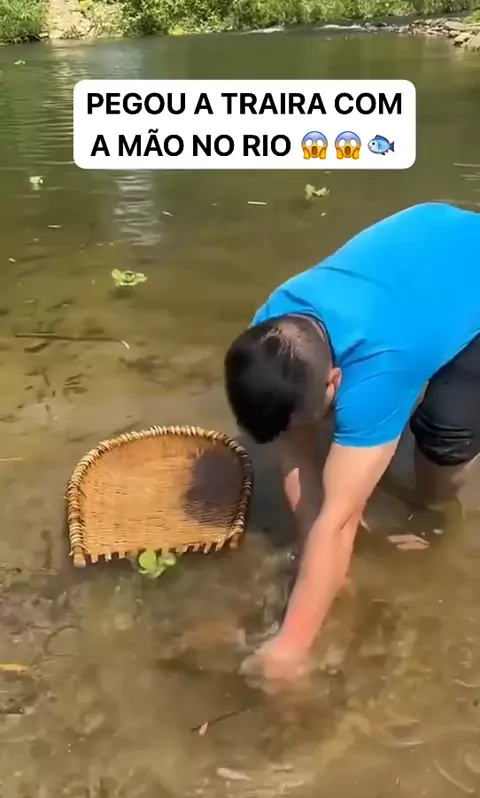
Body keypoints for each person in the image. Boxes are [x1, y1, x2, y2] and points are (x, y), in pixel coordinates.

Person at [224, 202, 480, 683]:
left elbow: (339, 523)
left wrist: (290, 649)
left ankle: (431, 513)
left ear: (336, 381)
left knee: (444, 436)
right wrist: (319, 558)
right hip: (425, 240)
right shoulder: (270, 329)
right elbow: (295, 451)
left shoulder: (378, 372)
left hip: (471, 269)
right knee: (313, 435)